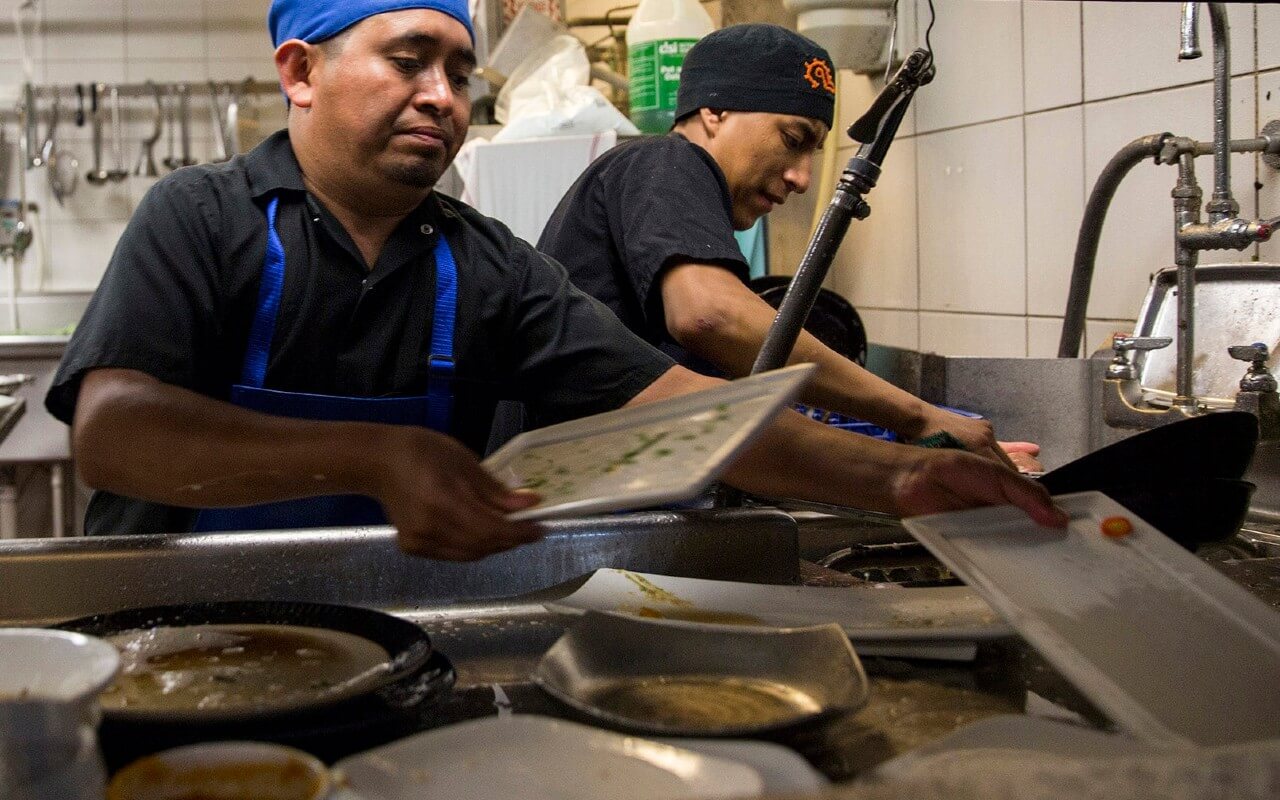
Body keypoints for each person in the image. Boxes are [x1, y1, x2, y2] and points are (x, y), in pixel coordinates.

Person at [45, 0, 1065, 560]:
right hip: (180, 632)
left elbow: (690, 413)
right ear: (301, 73)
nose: (441, 96)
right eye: (407, 60)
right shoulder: (201, 215)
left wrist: (896, 476)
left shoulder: (483, 262)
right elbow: (116, 432)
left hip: (404, 632)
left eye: (458, 71)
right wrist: (376, 457)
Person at [539, 24, 1040, 471]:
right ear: (714, 111)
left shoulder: (656, 185)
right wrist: (921, 416)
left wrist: (920, 463)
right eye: (793, 138)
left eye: (813, 152)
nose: (802, 177)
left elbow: (717, 412)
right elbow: (711, 317)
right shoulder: (663, 160)